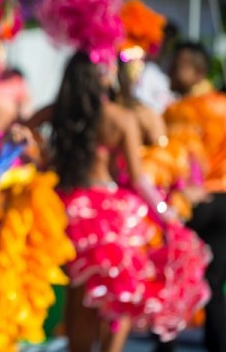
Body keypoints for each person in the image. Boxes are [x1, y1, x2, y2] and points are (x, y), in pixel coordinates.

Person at [25, 51, 210, 352]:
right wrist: (166, 214)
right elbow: (139, 179)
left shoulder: (57, 111)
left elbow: (21, 131)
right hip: (109, 215)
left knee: (78, 295)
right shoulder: (120, 118)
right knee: (117, 296)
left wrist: (44, 159)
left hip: (62, 208)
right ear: (103, 78)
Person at [163, 41, 226, 352]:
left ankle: (166, 345)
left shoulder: (178, 111)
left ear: (197, 72)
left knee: (174, 275)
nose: (170, 72)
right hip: (224, 202)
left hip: (194, 203)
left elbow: (174, 162)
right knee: (214, 283)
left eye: (177, 66)